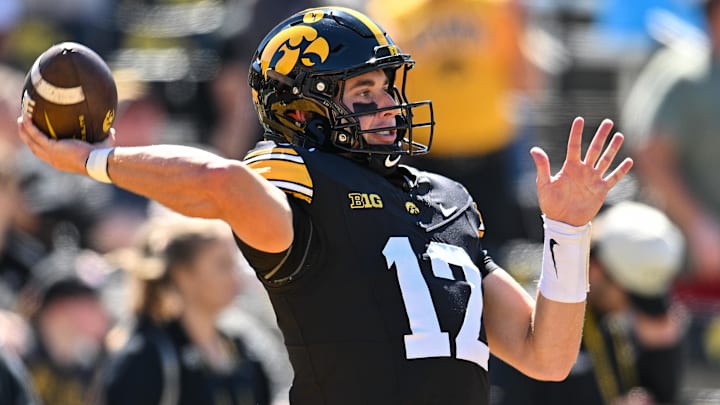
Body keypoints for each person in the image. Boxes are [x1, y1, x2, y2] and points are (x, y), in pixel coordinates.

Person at [17, 6, 633, 404]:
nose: (389, 101)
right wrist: (95, 160)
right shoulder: (298, 176)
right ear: (305, 109)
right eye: (364, 89)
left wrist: (569, 232)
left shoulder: (446, 198)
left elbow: (545, 356)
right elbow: (222, 184)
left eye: (388, 84)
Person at [490, 200, 687, 405]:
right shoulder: (532, 317)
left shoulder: (632, 324)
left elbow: (661, 396)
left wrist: (662, 351)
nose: (631, 307)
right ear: (596, 269)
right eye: (630, 294)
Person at [99, 214, 272, 405]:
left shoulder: (241, 349)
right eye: (222, 265)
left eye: (235, 264)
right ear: (183, 275)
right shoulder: (148, 357)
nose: (235, 277)